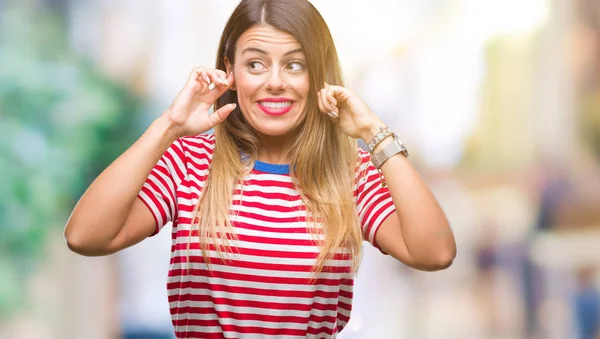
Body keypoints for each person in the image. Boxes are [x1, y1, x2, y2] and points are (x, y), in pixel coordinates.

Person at [64, 0, 456, 337]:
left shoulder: (348, 172)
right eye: (255, 64)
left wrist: (374, 132)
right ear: (229, 70)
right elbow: (85, 236)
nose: (274, 82)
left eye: (295, 65)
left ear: (318, 75)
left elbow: (435, 252)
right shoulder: (190, 160)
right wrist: (170, 125)